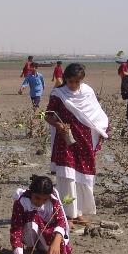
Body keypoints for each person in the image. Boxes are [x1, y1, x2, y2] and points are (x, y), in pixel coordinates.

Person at [45, 63, 109, 226]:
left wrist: (101, 130)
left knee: (83, 176)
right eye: (70, 81)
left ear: (81, 81)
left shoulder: (87, 92)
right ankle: (67, 215)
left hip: (85, 140)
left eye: (76, 82)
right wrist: (57, 125)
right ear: (65, 78)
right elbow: (46, 115)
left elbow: (96, 114)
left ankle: (79, 212)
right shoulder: (58, 94)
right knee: (67, 176)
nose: (73, 85)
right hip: (65, 141)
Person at [10, 174, 71, 254]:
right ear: (31, 193)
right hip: (30, 234)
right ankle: (30, 249)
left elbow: (61, 222)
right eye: (37, 198)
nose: (40, 202)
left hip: (47, 233)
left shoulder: (53, 201)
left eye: (44, 199)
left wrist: (56, 242)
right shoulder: (22, 202)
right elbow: (16, 230)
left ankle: (42, 250)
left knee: (53, 252)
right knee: (32, 219)